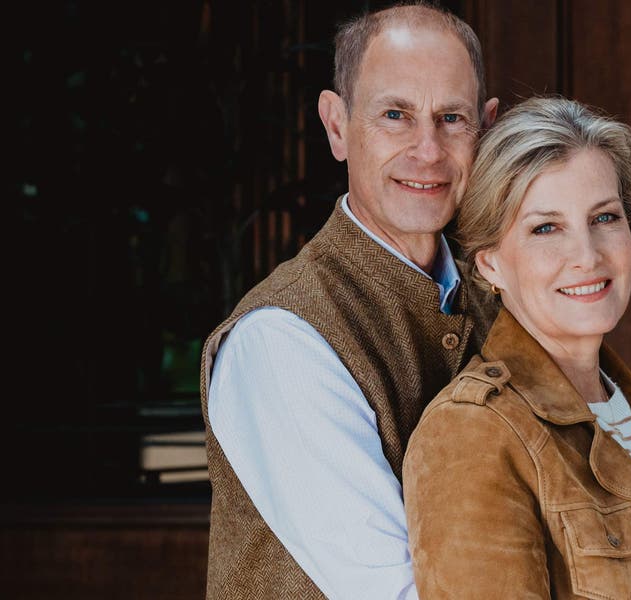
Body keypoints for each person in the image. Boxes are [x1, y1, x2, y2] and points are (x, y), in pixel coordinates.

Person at [403, 96, 631, 599]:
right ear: (489, 264)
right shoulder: (473, 435)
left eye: (605, 218)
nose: (587, 256)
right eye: (546, 228)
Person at [199, 3, 499, 598]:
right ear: (337, 126)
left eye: (451, 118)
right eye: (395, 114)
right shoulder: (281, 338)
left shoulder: (501, 299)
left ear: (485, 129)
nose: (428, 150)